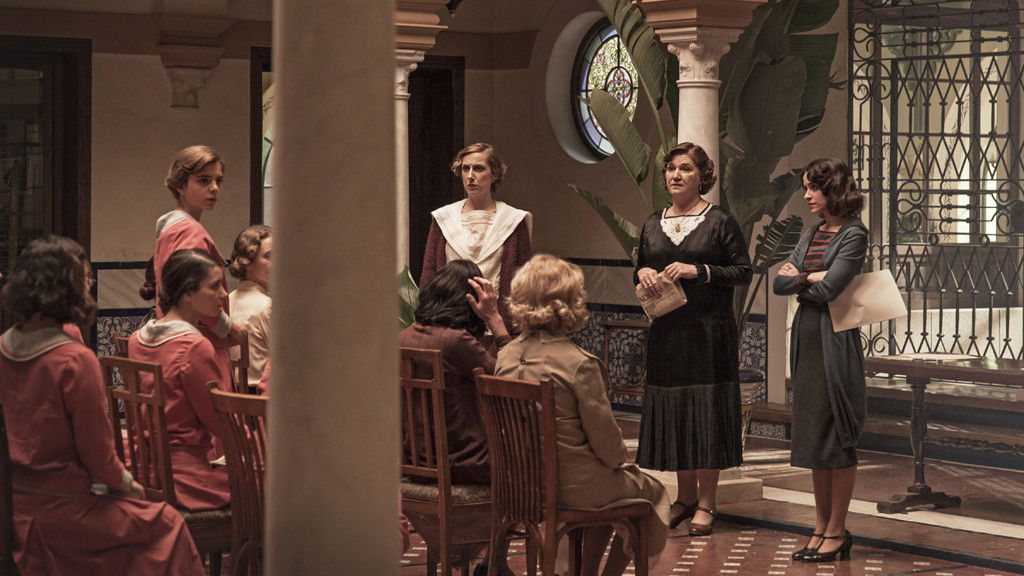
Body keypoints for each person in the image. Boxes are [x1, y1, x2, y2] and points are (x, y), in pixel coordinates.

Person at [0, 235, 203, 575]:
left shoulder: (3, 348)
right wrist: (131, 487)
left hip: (14, 507)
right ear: (67, 287)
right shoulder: (74, 360)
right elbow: (99, 458)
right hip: (65, 513)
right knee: (167, 522)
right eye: (84, 278)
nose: (89, 285)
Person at [496, 254, 669, 576]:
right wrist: (619, 460)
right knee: (653, 493)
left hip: (522, 486)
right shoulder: (579, 363)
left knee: (607, 490)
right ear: (570, 302)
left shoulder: (505, 356)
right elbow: (609, 449)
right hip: (573, 488)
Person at [633, 142, 752, 536]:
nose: (676, 175)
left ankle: (707, 502)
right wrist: (642, 273)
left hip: (709, 335)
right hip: (666, 335)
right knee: (678, 413)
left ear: (703, 176)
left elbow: (743, 272)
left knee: (705, 414)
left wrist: (698, 270)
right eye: (670, 168)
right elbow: (641, 267)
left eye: (685, 168)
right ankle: (683, 499)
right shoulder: (652, 223)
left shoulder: (720, 221)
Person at [773, 158, 867, 563]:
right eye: (806, 188)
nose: (807, 195)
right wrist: (810, 277)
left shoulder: (854, 234)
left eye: (813, 188)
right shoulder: (812, 232)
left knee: (836, 434)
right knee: (813, 433)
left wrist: (804, 277)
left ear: (833, 189)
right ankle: (819, 526)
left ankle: (837, 530)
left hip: (834, 338)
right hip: (808, 335)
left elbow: (831, 289)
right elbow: (779, 283)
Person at [129, 249, 232, 511]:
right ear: (187, 293)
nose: (223, 294)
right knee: (263, 487)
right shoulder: (194, 345)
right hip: (184, 478)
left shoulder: (137, 339)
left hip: (144, 472)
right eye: (214, 286)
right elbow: (219, 420)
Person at [400, 259, 510, 484]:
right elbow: (507, 381)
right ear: (469, 304)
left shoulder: (401, 338)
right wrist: (494, 318)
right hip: (465, 465)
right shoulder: (456, 341)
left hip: (415, 464)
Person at [152, 145, 244, 391]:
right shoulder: (189, 232)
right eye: (204, 180)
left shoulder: (171, 229)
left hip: (174, 342)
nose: (214, 188)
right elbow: (197, 293)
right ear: (180, 185)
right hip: (199, 346)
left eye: (218, 180)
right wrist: (227, 328)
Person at [420, 142, 532, 334]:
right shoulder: (444, 217)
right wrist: (426, 324)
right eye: (466, 168)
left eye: (479, 168)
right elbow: (429, 273)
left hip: (498, 326)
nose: (470, 176)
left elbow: (524, 278)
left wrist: (518, 330)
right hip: (448, 325)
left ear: (494, 174)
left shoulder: (513, 219)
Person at [228, 224, 273, 390]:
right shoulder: (267, 306)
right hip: (261, 399)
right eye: (269, 256)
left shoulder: (227, 299)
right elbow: (288, 359)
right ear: (247, 262)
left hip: (230, 397)